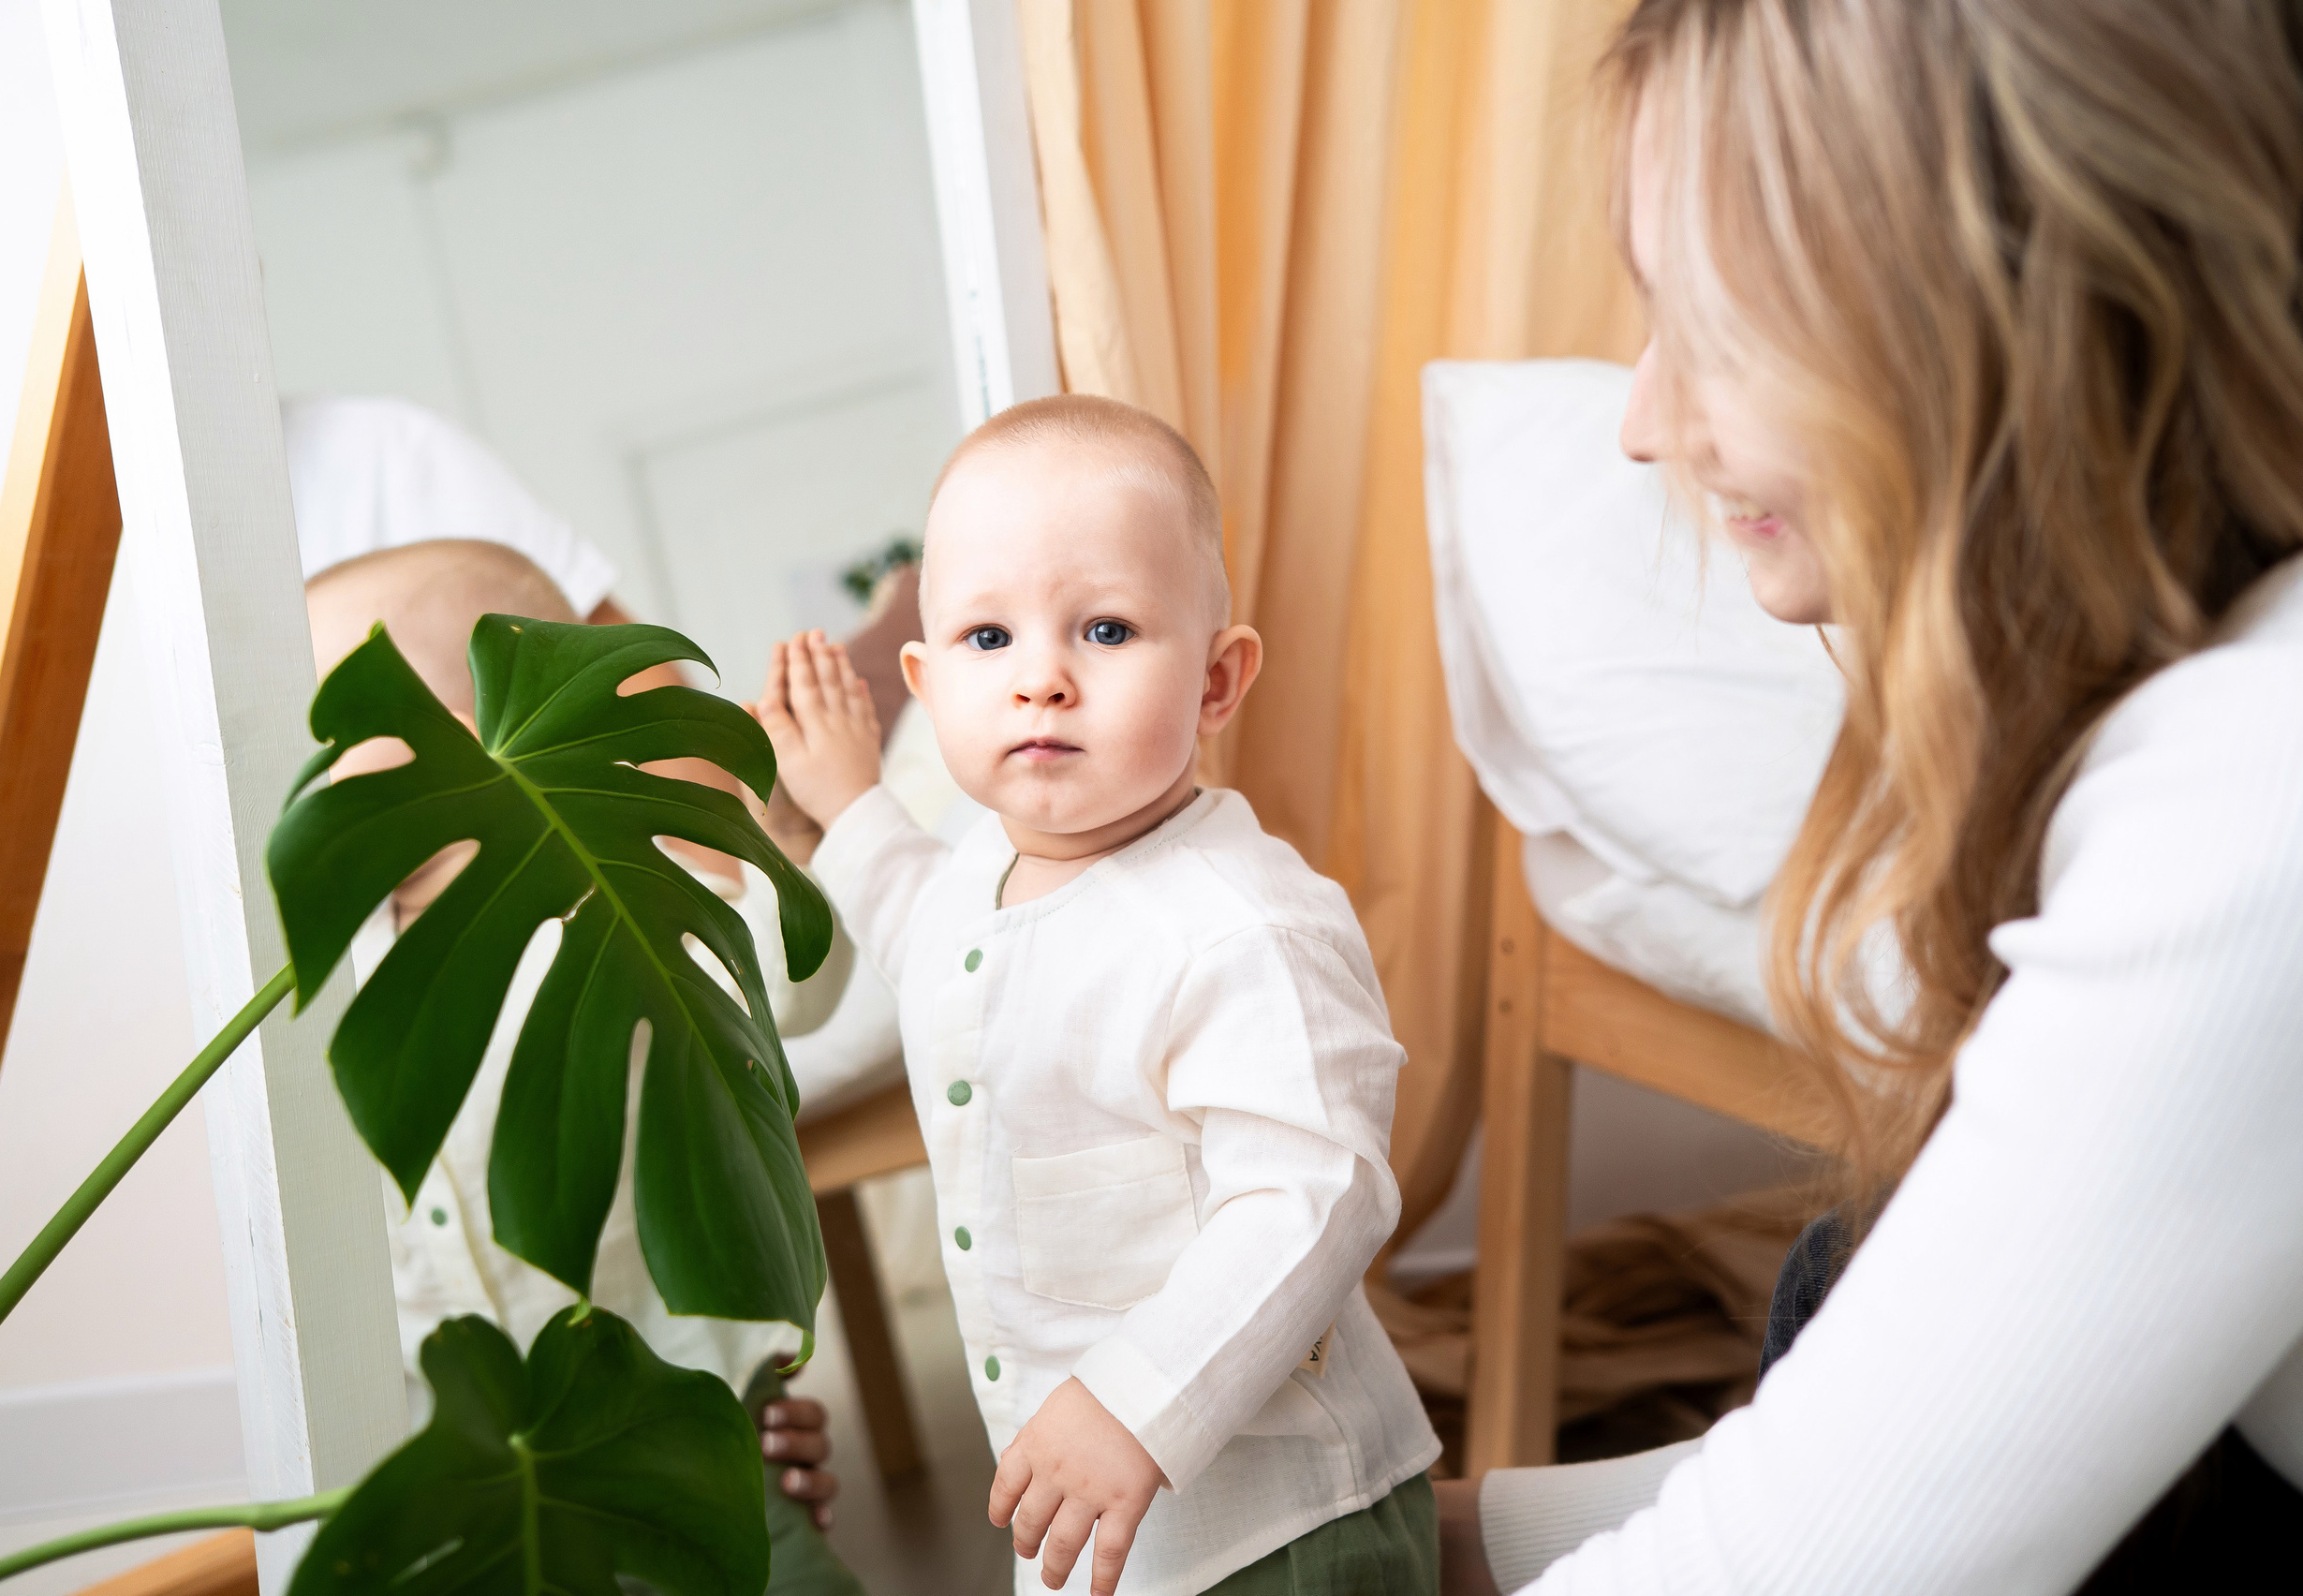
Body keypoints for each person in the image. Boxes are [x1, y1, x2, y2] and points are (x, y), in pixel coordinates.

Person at [1438, 1, 2303, 1589]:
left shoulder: (2259, 789)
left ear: (1982, 299)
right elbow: (1922, 1432)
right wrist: (1418, 1539)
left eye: (1705, 326)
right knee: (1859, 1271)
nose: (1642, 424)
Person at [758, 394, 1444, 1596]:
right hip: (1096, 1526)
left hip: (1271, 1523)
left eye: (1109, 631)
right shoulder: (988, 865)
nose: (1042, 682)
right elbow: (925, 931)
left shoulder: (1235, 923)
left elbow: (1313, 1193)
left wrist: (1137, 1402)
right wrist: (850, 799)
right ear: (924, 678)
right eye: (988, 641)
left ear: (1220, 682)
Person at [303, 539, 860, 1596]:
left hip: (683, 1444)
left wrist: (781, 835)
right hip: (472, 1481)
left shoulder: (607, 907)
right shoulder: (338, 976)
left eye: (332, 716)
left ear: (478, 735)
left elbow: (787, 975)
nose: (304, 757)